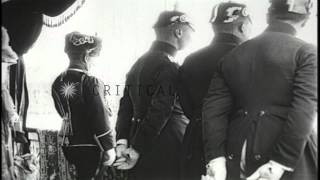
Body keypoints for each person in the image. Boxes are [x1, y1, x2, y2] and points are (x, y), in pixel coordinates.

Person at [202, 0, 317, 180]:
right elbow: (305, 109)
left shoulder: (232, 56)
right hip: (288, 159)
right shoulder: (306, 52)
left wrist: (216, 160)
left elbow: (212, 112)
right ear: (304, 20)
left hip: (237, 153)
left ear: (268, 15)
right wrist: (279, 164)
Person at [114, 10, 194, 180]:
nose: (191, 37)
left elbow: (125, 106)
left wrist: (123, 140)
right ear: (178, 32)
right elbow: (161, 109)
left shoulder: (138, 63)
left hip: (136, 143)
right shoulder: (169, 65)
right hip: (166, 149)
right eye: (190, 31)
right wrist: (136, 149)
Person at [178, 2, 252, 180]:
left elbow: (185, 105)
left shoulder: (191, 60)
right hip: (231, 143)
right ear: (243, 26)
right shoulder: (247, 57)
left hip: (194, 141)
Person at [51, 32, 116, 180]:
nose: (94, 63)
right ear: (86, 57)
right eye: (94, 58)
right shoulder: (91, 82)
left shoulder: (57, 81)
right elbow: (100, 116)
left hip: (66, 143)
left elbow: (62, 112)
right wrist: (109, 147)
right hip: (90, 145)